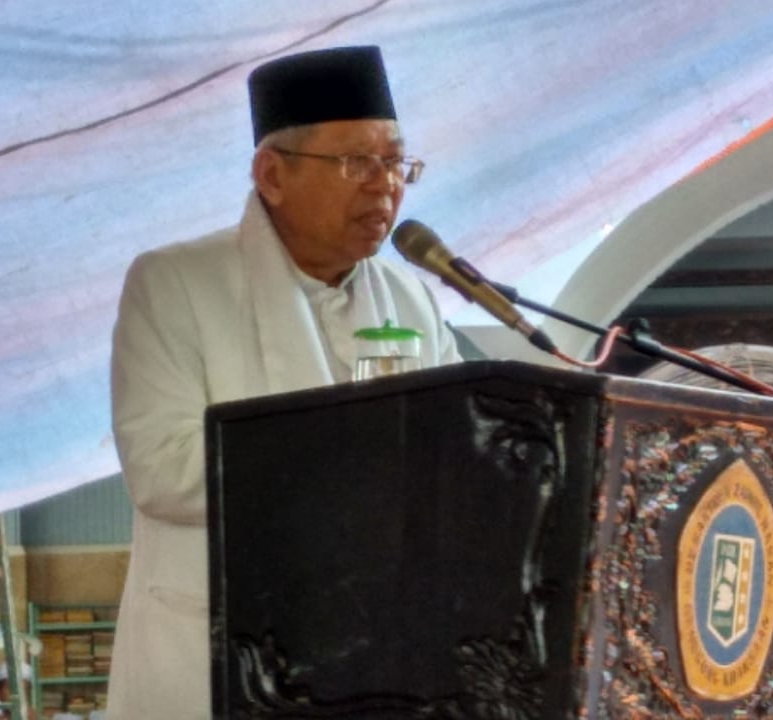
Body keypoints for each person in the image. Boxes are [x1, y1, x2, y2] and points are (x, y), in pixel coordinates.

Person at [106, 46, 461, 718]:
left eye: (396, 163)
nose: (386, 186)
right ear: (272, 174)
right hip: (218, 659)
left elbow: (449, 456)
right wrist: (360, 457)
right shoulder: (175, 283)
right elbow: (161, 470)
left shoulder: (412, 298)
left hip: (372, 657)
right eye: (358, 163)